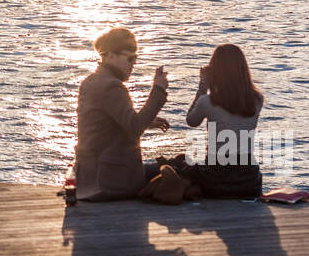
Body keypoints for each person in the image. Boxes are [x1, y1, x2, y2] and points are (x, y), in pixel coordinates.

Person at [74, 27, 169, 201]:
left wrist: (148, 121)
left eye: (136, 59)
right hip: (112, 182)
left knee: (162, 166)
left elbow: (107, 125)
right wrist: (158, 90)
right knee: (177, 167)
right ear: (110, 55)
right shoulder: (112, 86)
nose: (133, 64)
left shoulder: (89, 82)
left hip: (88, 178)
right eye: (130, 58)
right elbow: (134, 128)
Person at [180, 43, 264, 198]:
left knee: (179, 164)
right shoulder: (257, 99)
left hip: (216, 179)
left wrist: (203, 85)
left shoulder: (208, 101)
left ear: (215, 72)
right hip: (249, 180)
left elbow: (191, 120)